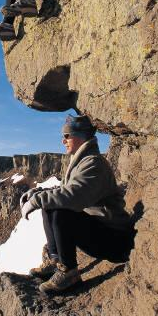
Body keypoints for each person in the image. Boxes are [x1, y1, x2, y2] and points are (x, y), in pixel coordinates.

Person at [20, 115, 135, 295]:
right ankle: (56, 261)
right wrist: (39, 194)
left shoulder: (94, 163)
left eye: (67, 135)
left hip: (116, 242)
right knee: (50, 204)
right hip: (104, 233)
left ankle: (69, 273)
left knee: (61, 210)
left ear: (80, 136)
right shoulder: (83, 160)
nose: (63, 140)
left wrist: (37, 200)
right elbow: (67, 189)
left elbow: (73, 196)